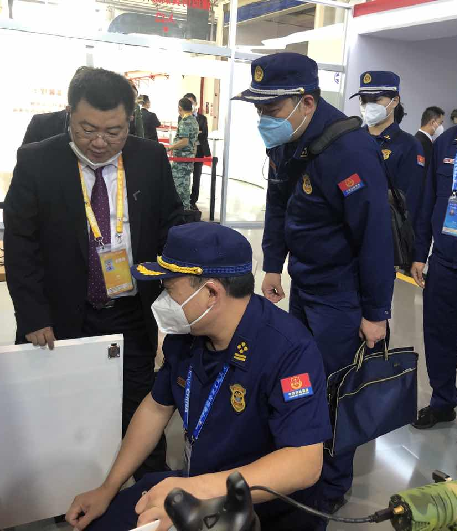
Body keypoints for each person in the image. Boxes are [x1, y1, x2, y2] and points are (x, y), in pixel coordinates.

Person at [65, 222, 332, 532]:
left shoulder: (288, 349)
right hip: (198, 485)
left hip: (261, 509)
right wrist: (108, 487)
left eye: (169, 290)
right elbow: (156, 407)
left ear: (211, 293)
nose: (162, 302)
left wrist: (196, 490)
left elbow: (304, 463)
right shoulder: (187, 336)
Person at [233, 53, 395, 515]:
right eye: (259, 110)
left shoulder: (350, 151)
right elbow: (278, 204)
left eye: (271, 109)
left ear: (306, 102)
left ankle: (332, 483)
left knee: (335, 390)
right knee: (300, 381)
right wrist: (272, 264)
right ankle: (298, 461)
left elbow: (375, 237)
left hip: (341, 297)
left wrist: (375, 313)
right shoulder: (287, 140)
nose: (263, 120)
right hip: (304, 285)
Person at [4, 67, 184, 480]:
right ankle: (65, 490)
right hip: (61, 314)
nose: (100, 142)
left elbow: (170, 222)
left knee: (141, 407)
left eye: (114, 131)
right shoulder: (37, 161)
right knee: (62, 408)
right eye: (87, 129)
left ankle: (151, 490)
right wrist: (33, 315)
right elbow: (20, 245)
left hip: (129, 310)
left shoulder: (149, 158)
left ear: (129, 121)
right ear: (69, 114)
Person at [410, 124, 457, 430]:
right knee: (438, 336)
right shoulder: (446, 143)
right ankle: (443, 402)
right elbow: (428, 201)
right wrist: (419, 253)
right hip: (444, 261)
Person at [351, 71, 425, 223]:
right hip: (347, 227)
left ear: (395, 100)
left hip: (385, 228)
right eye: (364, 100)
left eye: (376, 99)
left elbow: (409, 203)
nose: (368, 106)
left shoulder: (409, 146)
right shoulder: (352, 140)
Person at [166, 98, 199, 209]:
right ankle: (186, 210)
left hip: (181, 161)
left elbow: (184, 141)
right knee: (185, 187)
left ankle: (181, 213)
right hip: (188, 159)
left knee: (179, 188)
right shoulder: (194, 121)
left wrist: (170, 147)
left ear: (180, 108)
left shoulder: (185, 122)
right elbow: (194, 143)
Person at [183, 93, 211, 210]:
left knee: (197, 176)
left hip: (199, 150)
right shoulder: (181, 117)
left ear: (195, 103)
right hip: (186, 150)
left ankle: (193, 200)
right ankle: (184, 199)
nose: (189, 105)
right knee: (185, 175)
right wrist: (197, 132)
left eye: (191, 102)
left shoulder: (202, 118)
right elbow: (183, 135)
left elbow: (204, 134)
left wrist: (193, 133)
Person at [415, 106, 445, 174]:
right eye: (440, 123)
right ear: (432, 122)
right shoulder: (421, 142)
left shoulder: (426, 140)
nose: (441, 127)